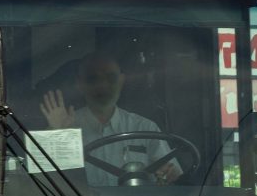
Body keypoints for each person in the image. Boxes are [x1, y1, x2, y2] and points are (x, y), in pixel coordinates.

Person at [38, 53, 175, 186]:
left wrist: (167, 175)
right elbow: (40, 184)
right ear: (80, 84)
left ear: (121, 80)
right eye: (93, 79)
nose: (102, 85)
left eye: (111, 78)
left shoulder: (146, 128)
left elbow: (174, 178)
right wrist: (55, 135)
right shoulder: (64, 126)